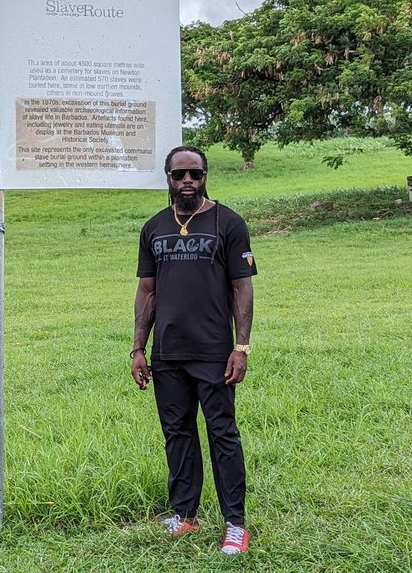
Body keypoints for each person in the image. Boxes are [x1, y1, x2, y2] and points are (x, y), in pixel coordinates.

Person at [132, 146, 257, 556]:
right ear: (167, 178)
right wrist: (138, 348)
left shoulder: (229, 222)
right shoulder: (153, 228)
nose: (187, 181)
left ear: (206, 176)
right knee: (178, 435)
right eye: (179, 174)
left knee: (223, 434)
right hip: (167, 353)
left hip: (214, 353)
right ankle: (184, 514)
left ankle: (235, 524)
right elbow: (147, 292)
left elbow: (242, 286)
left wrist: (241, 346)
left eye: (195, 174)